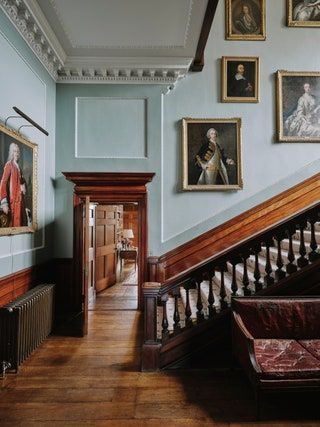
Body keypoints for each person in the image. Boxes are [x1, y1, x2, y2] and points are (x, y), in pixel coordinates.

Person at [0, 143, 27, 227]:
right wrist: (4, 203)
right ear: (11, 152)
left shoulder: (19, 168)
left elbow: (22, 183)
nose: (16, 153)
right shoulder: (9, 165)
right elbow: (3, 183)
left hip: (20, 202)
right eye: (15, 151)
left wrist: (23, 187)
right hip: (13, 203)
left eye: (18, 152)